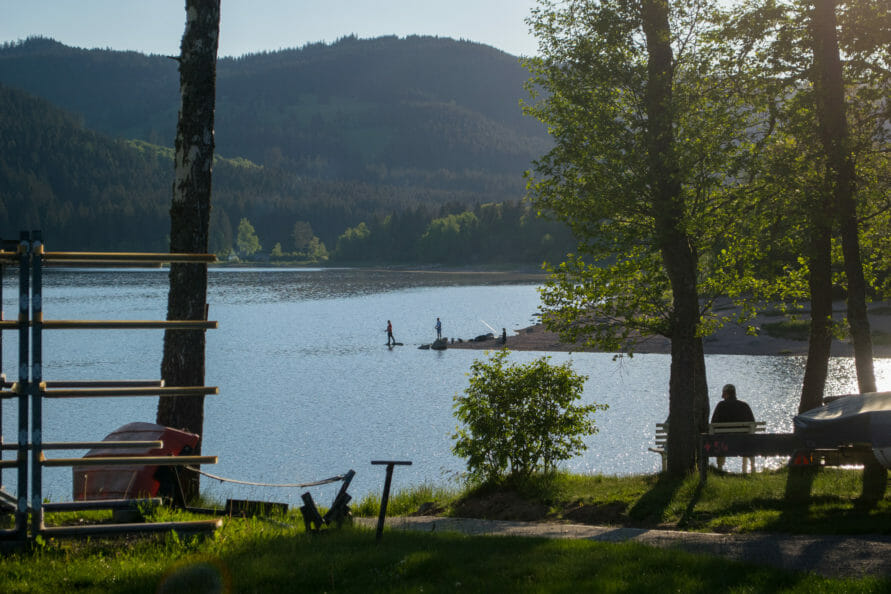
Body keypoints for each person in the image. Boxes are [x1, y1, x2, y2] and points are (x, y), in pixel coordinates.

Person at [710, 384, 756, 472]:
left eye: (723, 393)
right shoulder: (744, 405)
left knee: (719, 438)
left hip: (724, 445)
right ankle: (751, 468)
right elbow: (753, 424)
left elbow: (713, 424)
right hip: (744, 444)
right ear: (734, 393)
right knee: (747, 437)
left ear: (725, 394)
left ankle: (720, 469)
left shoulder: (720, 406)